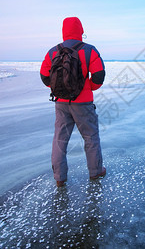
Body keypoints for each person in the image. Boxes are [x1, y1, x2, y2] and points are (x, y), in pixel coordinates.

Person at [40, 17, 106, 187]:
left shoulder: (52, 51)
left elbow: (44, 76)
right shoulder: (90, 50)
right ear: (81, 31)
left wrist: (58, 89)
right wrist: (87, 88)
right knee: (90, 137)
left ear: (63, 31)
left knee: (60, 139)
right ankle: (95, 172)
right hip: (83, 104)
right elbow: (99, 76)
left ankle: (59, 178)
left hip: (61, 103)